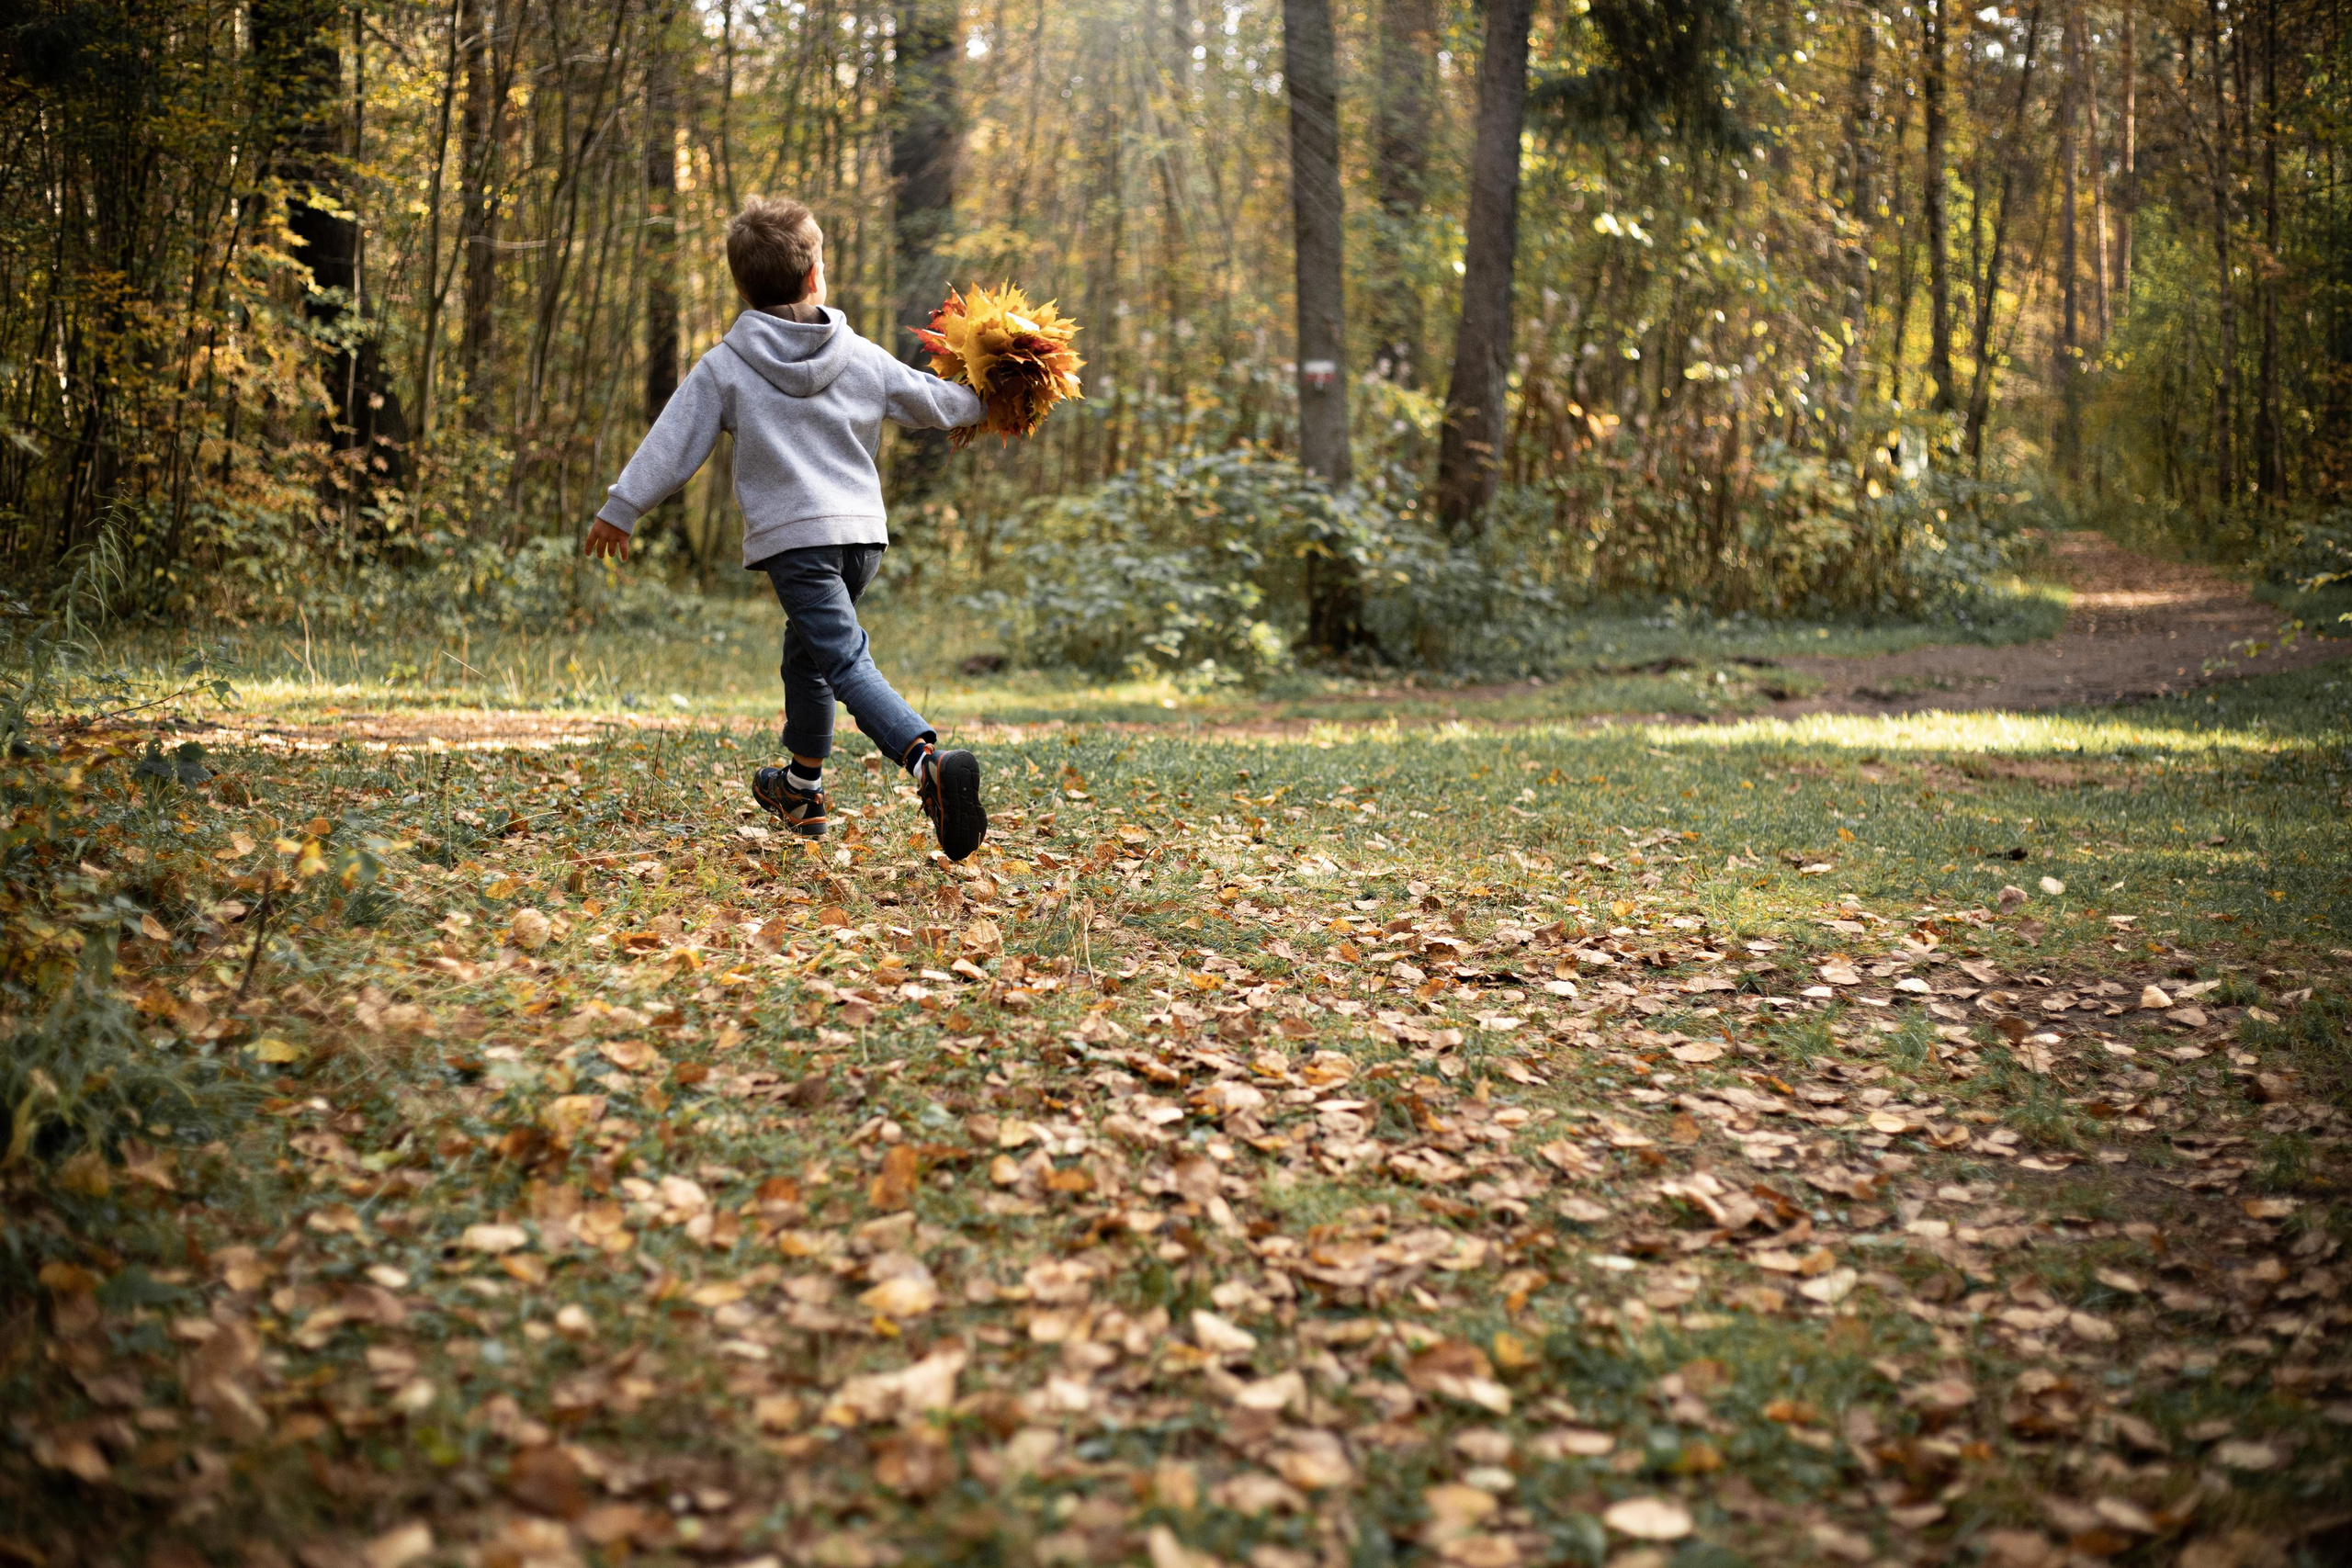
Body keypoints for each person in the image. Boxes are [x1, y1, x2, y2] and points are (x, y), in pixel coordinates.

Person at [583, 196, 988, 860]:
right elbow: (934, 400)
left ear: (745, 286)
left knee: (843, 660)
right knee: (808, 652)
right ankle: (800, 787)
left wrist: (621, 507)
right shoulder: (858, 355)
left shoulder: (727, 365)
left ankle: (927, 763)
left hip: (798, 544)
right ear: (814, 277)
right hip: (862, 541)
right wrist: (997, 397)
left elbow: (674, 440)